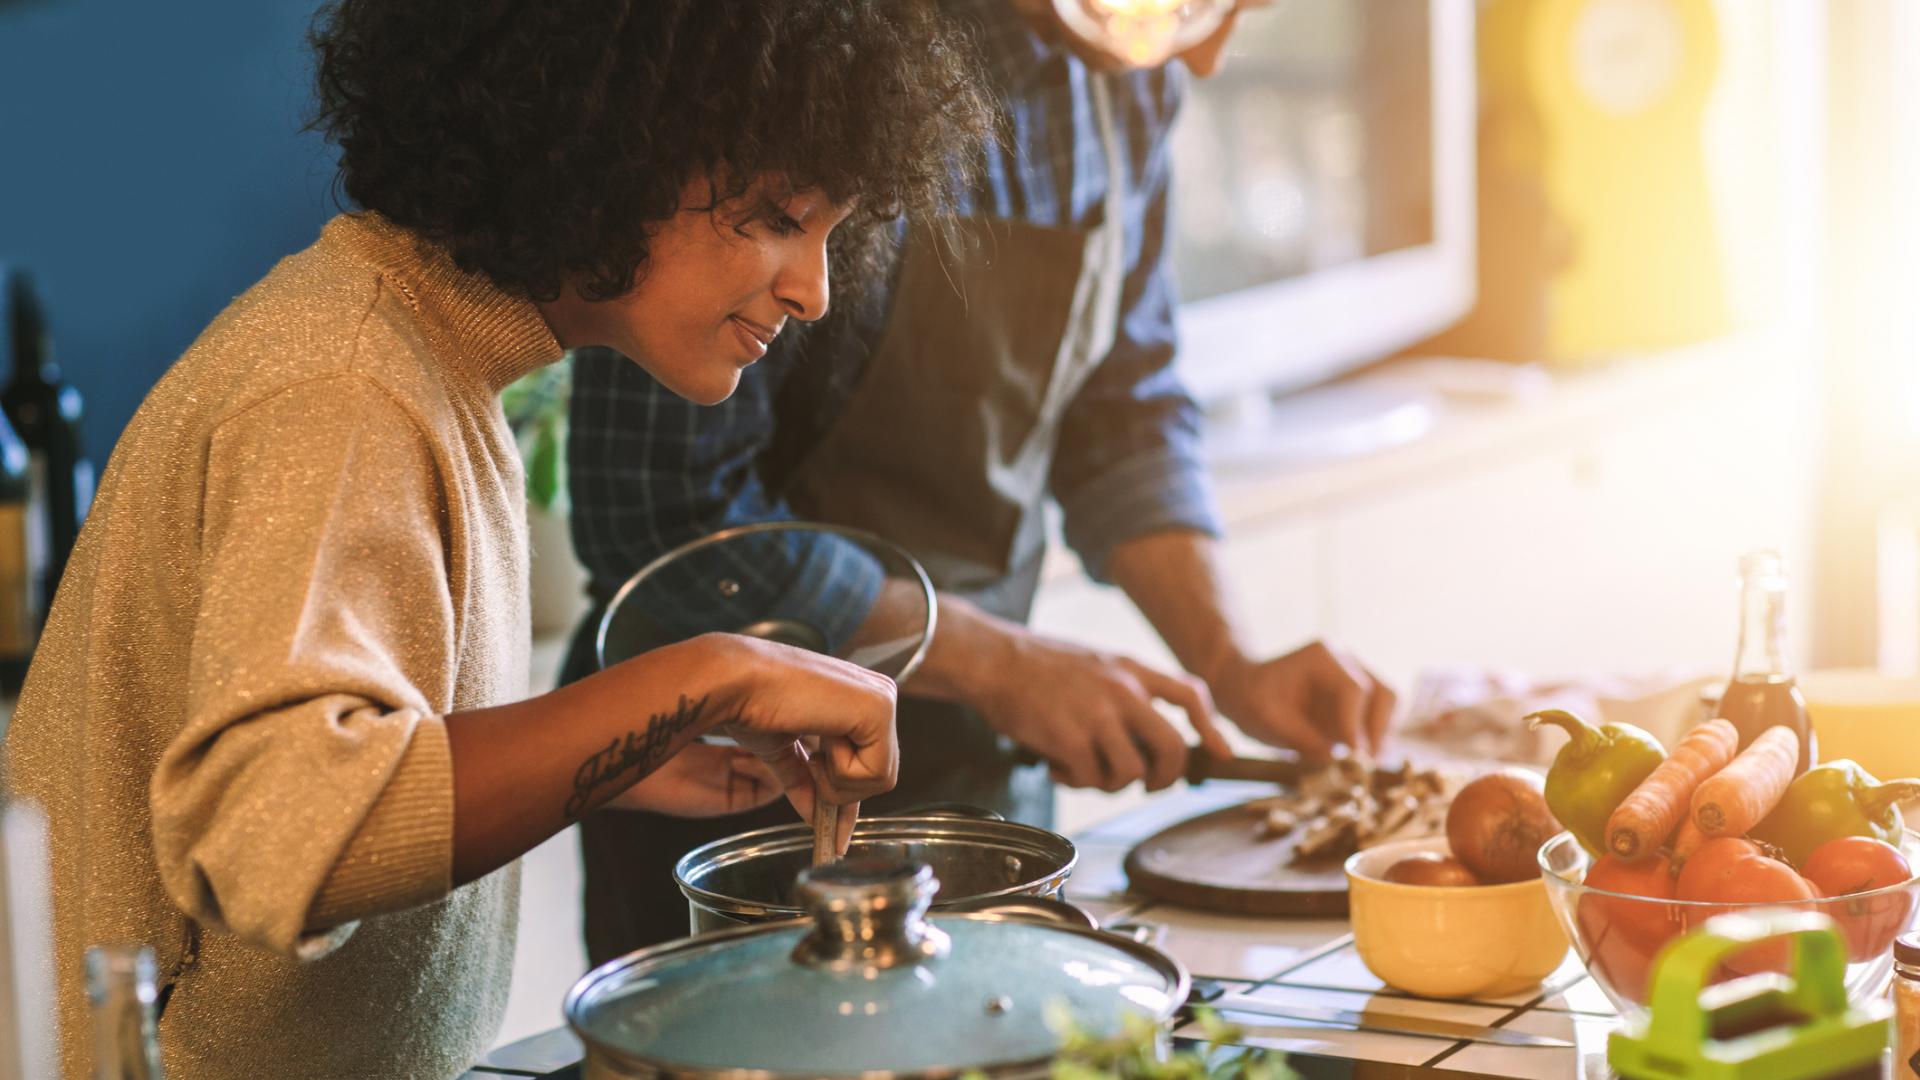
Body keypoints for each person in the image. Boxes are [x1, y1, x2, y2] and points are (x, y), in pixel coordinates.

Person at [0, 3, 991, 1077]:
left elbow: (366, 737)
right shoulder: (341, 384)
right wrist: (715, 674)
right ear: (611, 147)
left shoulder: (426, 366)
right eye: (775, 215)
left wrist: (607, 762)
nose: (816, 290)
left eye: (833, 233)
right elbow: (283, 825)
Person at [561, 0, 1398, 962]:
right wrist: (1000, 667)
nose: (1202, 46)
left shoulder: (1130, 79)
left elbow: (1122, 408)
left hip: (981, 788)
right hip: (737, 808)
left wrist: (1230, 660)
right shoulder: (788, 60)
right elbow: (667, 521)